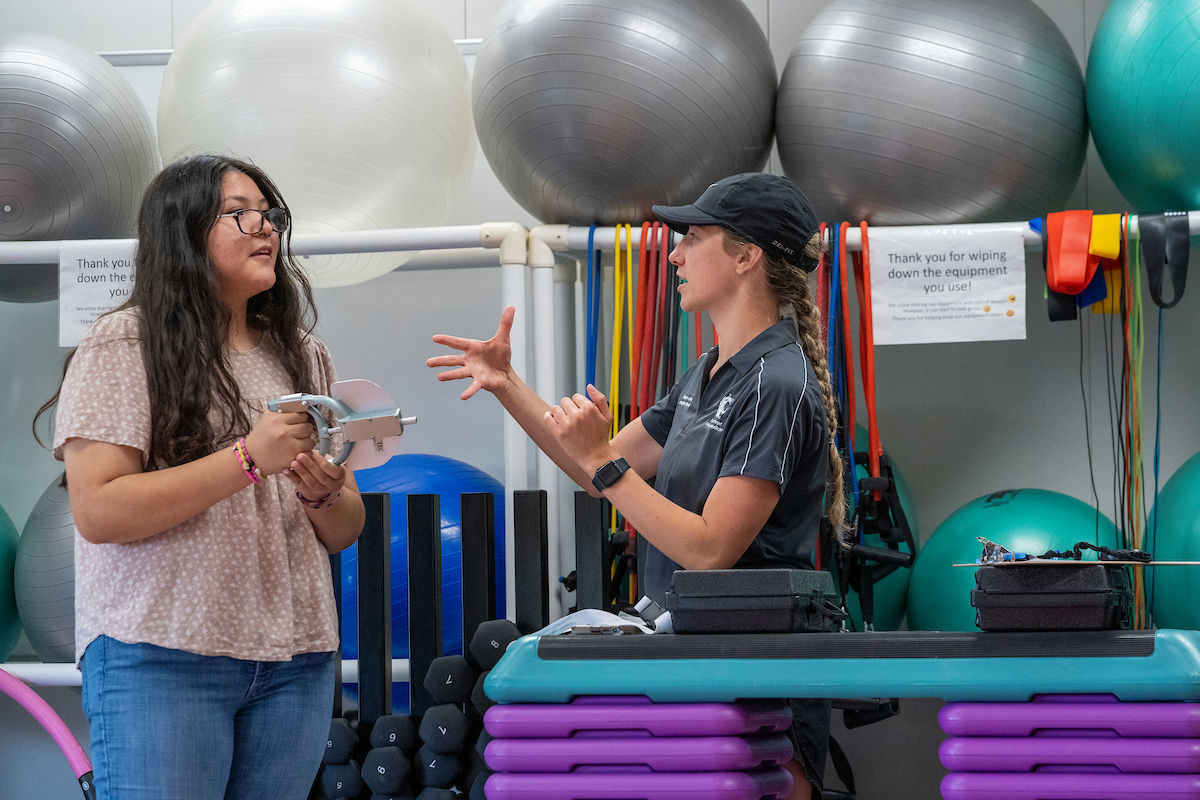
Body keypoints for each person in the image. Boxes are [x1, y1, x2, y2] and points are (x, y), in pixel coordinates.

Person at [427, 171, 846, 800]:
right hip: (692, 660)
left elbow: (709, 550)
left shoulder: (774, 385)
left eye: (693, 238)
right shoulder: (708, 372)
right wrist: (505, 384)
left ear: (746, 256)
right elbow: (592, 470)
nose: (674, 254)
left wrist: (605, 462)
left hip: (757, 673)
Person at [35, 154, 365, 800]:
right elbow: (99, 510)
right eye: (238, 214)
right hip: (161, 657)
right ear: (181, 235)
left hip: (295, 661)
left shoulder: (302, 353)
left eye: (268, 213)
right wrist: (247, 458)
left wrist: (324, 493)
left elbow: (346, 525)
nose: (264, 227)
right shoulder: (123, 343)